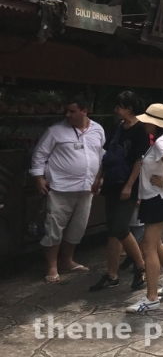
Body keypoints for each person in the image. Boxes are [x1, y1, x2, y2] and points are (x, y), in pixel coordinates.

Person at [30, 96, 105, 284]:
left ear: (85, 111)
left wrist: (99, 177)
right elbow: (39, 154)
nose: (68, 114)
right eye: (67, 111)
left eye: (72, 111)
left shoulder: (97, 129)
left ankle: (67, 261)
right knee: (54, 227)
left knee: (78, 227)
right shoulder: (55, 131)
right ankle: (52, 266)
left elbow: (101, 153)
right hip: (60, 188)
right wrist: (39, 178)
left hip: (86, 188)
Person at [126, 104, 163, 313]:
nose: (143, 122)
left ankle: (151, 297)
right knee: (155, 243)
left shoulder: (161, 142)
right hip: (156, 198)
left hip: (159, 198)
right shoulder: (162, 141)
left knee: (148, 247)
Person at [89, 91, 148, 292]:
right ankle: (112, 274)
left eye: (120, 106)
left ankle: (140, 265)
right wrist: (99, 177)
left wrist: (129, 185)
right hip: (112, 182)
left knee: (121, 227)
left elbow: (139, 161)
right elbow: (108, 155)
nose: (116, 110)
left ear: (129, 108)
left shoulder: (140, 130)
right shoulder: (117, 128)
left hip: (127, 184)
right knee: (113, 231)